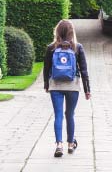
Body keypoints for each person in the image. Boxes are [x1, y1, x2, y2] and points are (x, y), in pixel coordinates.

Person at [43, 19, 91, 158]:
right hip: (73, 86)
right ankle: (71, 144)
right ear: (71, 32)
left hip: (55, 85)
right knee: (69, 114)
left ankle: (59, 144)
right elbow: (84, 71)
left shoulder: (51, 48)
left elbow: (46, 69)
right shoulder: (77, 47)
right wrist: (87, 89)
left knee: (58, 115)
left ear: (57, 31)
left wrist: (46, 85)